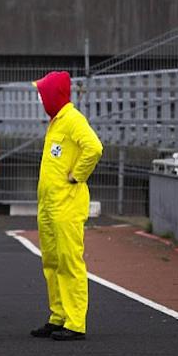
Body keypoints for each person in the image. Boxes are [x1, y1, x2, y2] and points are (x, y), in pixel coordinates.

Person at [31, 71, 103, 341]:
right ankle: (58, 315)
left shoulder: (72, 120)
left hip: (66, 205)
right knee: (51, 262)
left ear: (53, 95)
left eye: (43, 94)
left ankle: (75, 322)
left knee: (69, 262)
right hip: (50, 205)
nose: (41, 99)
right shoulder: (56, 122)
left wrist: (78, 174)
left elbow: (94, 148)